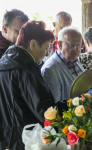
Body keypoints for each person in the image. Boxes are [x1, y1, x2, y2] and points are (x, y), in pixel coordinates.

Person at [0, 20, 55, 150]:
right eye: (46, 48)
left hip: (5, 139)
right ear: (33, 44)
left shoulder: (3, 64)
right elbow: (44, 111)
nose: (47, 54)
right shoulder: (27, 70)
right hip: (27, 139)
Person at [41, 26, 85, 103]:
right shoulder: (50, 69)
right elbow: (55, 107)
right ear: (60, 45)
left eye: (79, 45)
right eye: (72, 45)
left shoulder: (75, 60)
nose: (76, 49)